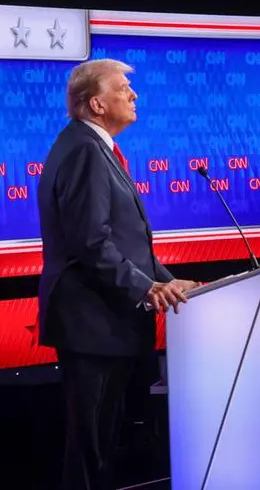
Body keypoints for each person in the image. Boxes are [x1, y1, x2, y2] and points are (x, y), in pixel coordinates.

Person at [37, 59, 197, 490]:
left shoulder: (91, 146)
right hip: (90, 320)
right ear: (97, 103)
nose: (133, 94)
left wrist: (165, 280)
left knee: (102, 444)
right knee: (90, 448)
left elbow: (124, 240)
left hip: (103, 320)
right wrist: (146, 288)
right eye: (123, 88)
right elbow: (90, 241)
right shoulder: (84, 150)